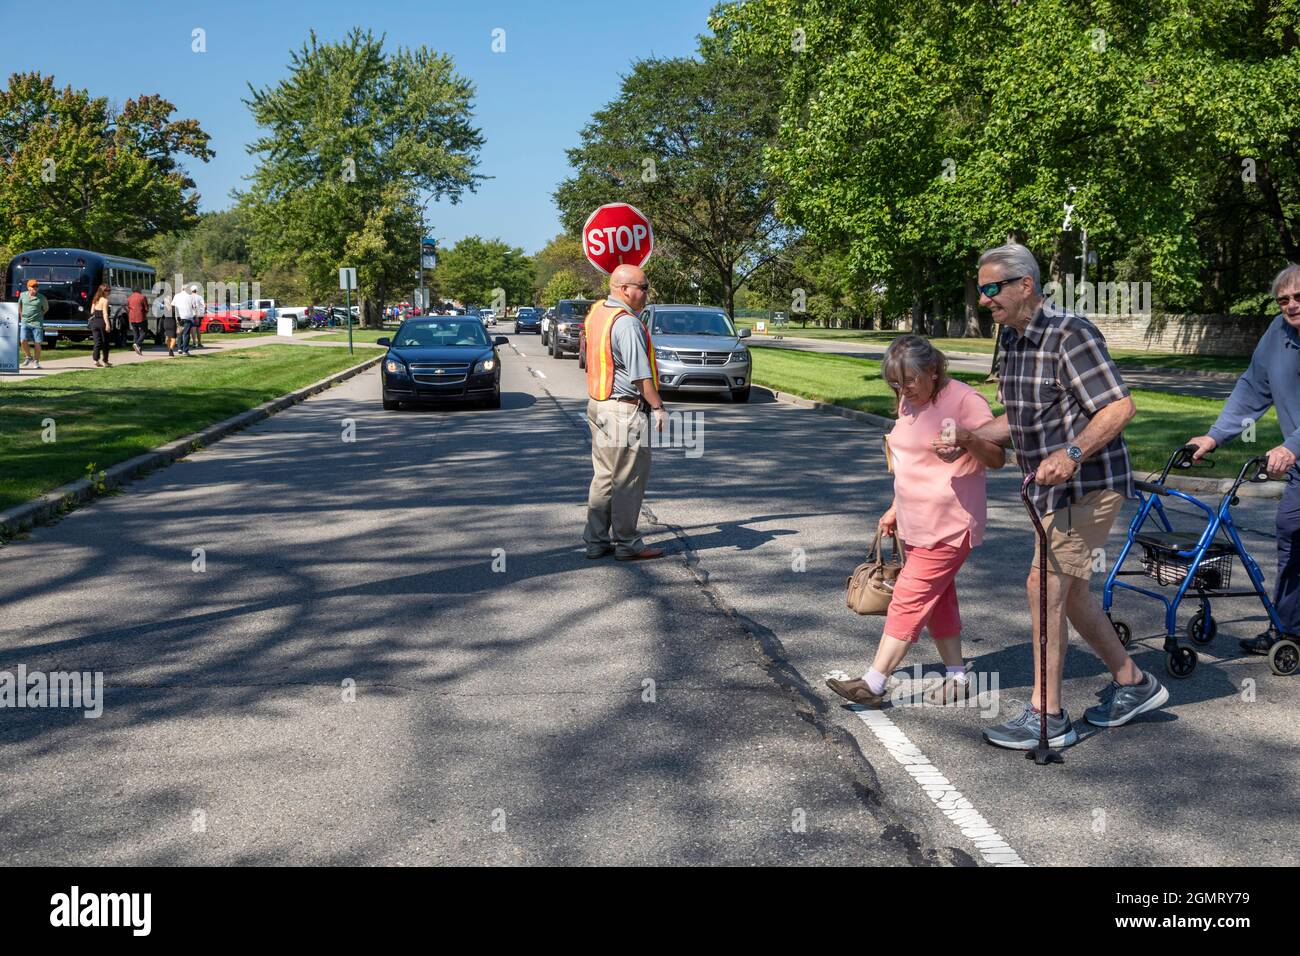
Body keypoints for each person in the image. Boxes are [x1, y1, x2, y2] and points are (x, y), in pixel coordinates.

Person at [971, 242, 1168, 750]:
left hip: (1089, 481)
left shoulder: (1070, 334)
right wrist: (969, 439)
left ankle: (1048, 715)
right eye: (980, 291)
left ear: (1025, 286)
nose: (984, 300)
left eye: (992, 289)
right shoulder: (1012, 342)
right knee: (1072, 593)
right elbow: (1020, 419)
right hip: (1050, 489)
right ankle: (1133, 683)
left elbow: (1119, 407)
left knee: (1044, 587)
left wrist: (1073, 453)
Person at [827, 336, 1005, 708]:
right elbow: (909, 461)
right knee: (938, 601)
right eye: (894, 382)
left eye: (908, 380)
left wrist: (968, 439)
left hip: (951, 523)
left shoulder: (964, 400)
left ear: (934, 370)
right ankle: (958, 678)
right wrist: (895, 507)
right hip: (914, 522)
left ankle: (874, 683)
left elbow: (997, 457)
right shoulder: (908, 401)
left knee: (908, 599)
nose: (902, 389)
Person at [1185, 262, 1300, 654]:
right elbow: (1252, 388)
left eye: (1299, 296)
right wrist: (1214, 436)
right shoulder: (1278, 332)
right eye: (1283, 299)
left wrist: (1292, 446)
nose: (1291, 305)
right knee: (1291, 535)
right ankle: (1289, 631)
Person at [582, 263, 667, 561]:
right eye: (643, 288)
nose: (646, 293)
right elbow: (641, 377)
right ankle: (628, 544)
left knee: (604, 475)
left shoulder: (599, 313)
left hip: (599, 404)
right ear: (624, 289)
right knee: (628, 479)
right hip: (624, 410)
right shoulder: (628, 323)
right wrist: (658, 407)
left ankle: (595, 541)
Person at [18, 278, 48, 369]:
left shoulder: (41, 297)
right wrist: (21, 315)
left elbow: (46, 308)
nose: (35, 288)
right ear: (28, 287)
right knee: (22, 340)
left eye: (36, 286)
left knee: (37, 343)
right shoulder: (22, 295)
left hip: (37, 323)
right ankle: (28, 357)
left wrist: (39, 315)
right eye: (33, 286)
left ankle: (36, 362)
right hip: (25, 322)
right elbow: (19, 305)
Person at [88, 283, 113, 367]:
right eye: (107, 290)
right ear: (102, 291)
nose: (109, 292)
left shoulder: (95, 299)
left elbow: (91, 311)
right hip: (102, 321)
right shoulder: (105, 301)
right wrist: (108, 324)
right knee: (105, 342)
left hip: (95, 322)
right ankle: (105, 361)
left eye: (109, 290)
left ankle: (95, 360)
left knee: (97, 342)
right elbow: (105, 314)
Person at [174, 283, 200, 355]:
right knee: (186, 334)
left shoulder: (177, 296)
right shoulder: (190, 297)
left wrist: (176, 316)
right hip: (187, 317)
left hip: (179, 316)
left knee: (180, 333)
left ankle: (179, 348)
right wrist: (196, 316)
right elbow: (194, 307)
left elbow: (174, 305)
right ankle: (185, 350)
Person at [127, 286, 149, 355]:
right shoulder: (142, 297)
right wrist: (145, 312)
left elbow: (128, 307)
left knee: (136, 333)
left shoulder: (129, 298)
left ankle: (138, 349)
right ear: (139, 290)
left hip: (132, 318)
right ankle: (137, 344)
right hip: (141, 317)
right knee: (144, 331)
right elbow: (146, 308)